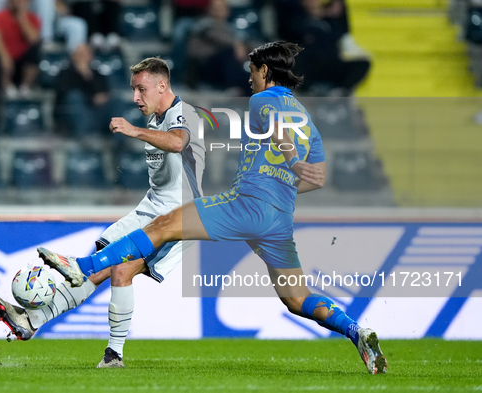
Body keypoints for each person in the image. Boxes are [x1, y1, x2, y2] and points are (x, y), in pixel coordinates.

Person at [36, 41, 388, 375]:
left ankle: (81, 266)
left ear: (265, 70)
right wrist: (287, 180)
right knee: (297, 298)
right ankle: (356, 331)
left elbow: (280, 135)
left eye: (252, 71)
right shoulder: (307, 120)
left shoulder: (263, 99)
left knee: (164, 225)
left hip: (247, 203)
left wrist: (291, 162)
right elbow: (320, 178)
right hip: (279, 217)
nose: (249, 79)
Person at [0, 57, 206, 368]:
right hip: (151, 207)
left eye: (141, 89)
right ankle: (33, 320)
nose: (135, 97)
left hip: (178, 218)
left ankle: (113, 354)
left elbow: (177, 142)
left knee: (119, 269)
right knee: (97, 264)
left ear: (162, 85)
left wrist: (133, 131)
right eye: (133, 90)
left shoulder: (184, 115)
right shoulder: (156, 118)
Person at [185, 0, 251, 94]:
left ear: (227, 11)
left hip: (225, 70)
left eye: (221, 9)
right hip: (204, 68)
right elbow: (216, 36)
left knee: (249, 79)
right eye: (215, 9)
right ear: (209, 10)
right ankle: (232, 86)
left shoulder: (230, 28)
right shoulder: (203, 25)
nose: (218, 12)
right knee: (228, 53)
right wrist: (237, 44)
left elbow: (247, 42)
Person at [54, 43, 110, 137]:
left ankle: (120, 142)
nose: (83, 57)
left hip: (95, 113)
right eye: (80, 54)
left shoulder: (97, 74)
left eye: (86, 54)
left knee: (116, 102)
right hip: (72, 116)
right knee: (75, 97)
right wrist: (82, 75)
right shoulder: (65, 73)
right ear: (73, 56)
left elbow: (104, 92)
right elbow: (64, 93)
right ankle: (84, 137)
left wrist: (88, 77)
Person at [0, 0, 41, 97]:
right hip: (6, 58)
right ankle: (7, 86)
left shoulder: (33, 18)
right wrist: (4, 55)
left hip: (23, 59)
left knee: (35, 53)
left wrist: (21, 18)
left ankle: (25, 87)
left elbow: (33, 39)